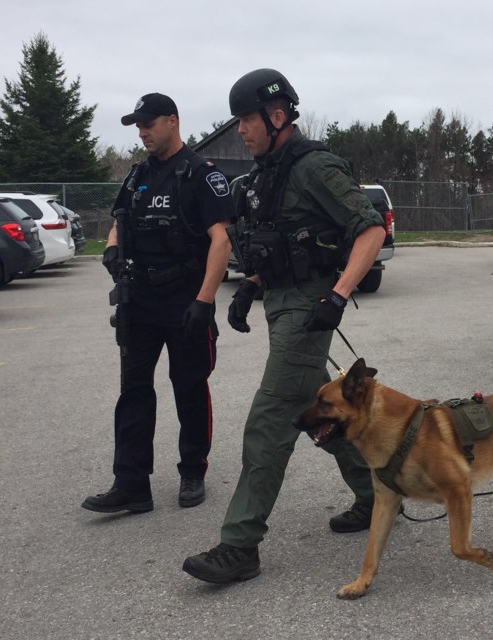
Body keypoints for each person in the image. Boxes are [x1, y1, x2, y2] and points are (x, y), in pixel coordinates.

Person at [182, 69, 388, 584]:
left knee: (270, 419)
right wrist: (249, 287)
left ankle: (239, 545)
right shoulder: (264, 173)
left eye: (247, 119)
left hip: (309, 308)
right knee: (314, 413)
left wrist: (338, 296)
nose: (242, 130)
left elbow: (370, 228)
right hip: (281, 303)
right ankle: (378, 496)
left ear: (276, 116)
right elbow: (277, 242)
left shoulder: (314, 166)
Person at [82, 93, 235, 514]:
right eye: (138, 125)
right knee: (133, 391)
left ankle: (192, 470)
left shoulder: (200, 174)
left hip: (186, 299)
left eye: (149, 123)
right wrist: (112, 249)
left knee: (188, 387)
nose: (142, 132)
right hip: (140, 302)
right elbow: (119, 221)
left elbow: (221, 239)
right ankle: (131, 484)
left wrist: (204, 302)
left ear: (173, 121)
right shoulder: (136, 177)